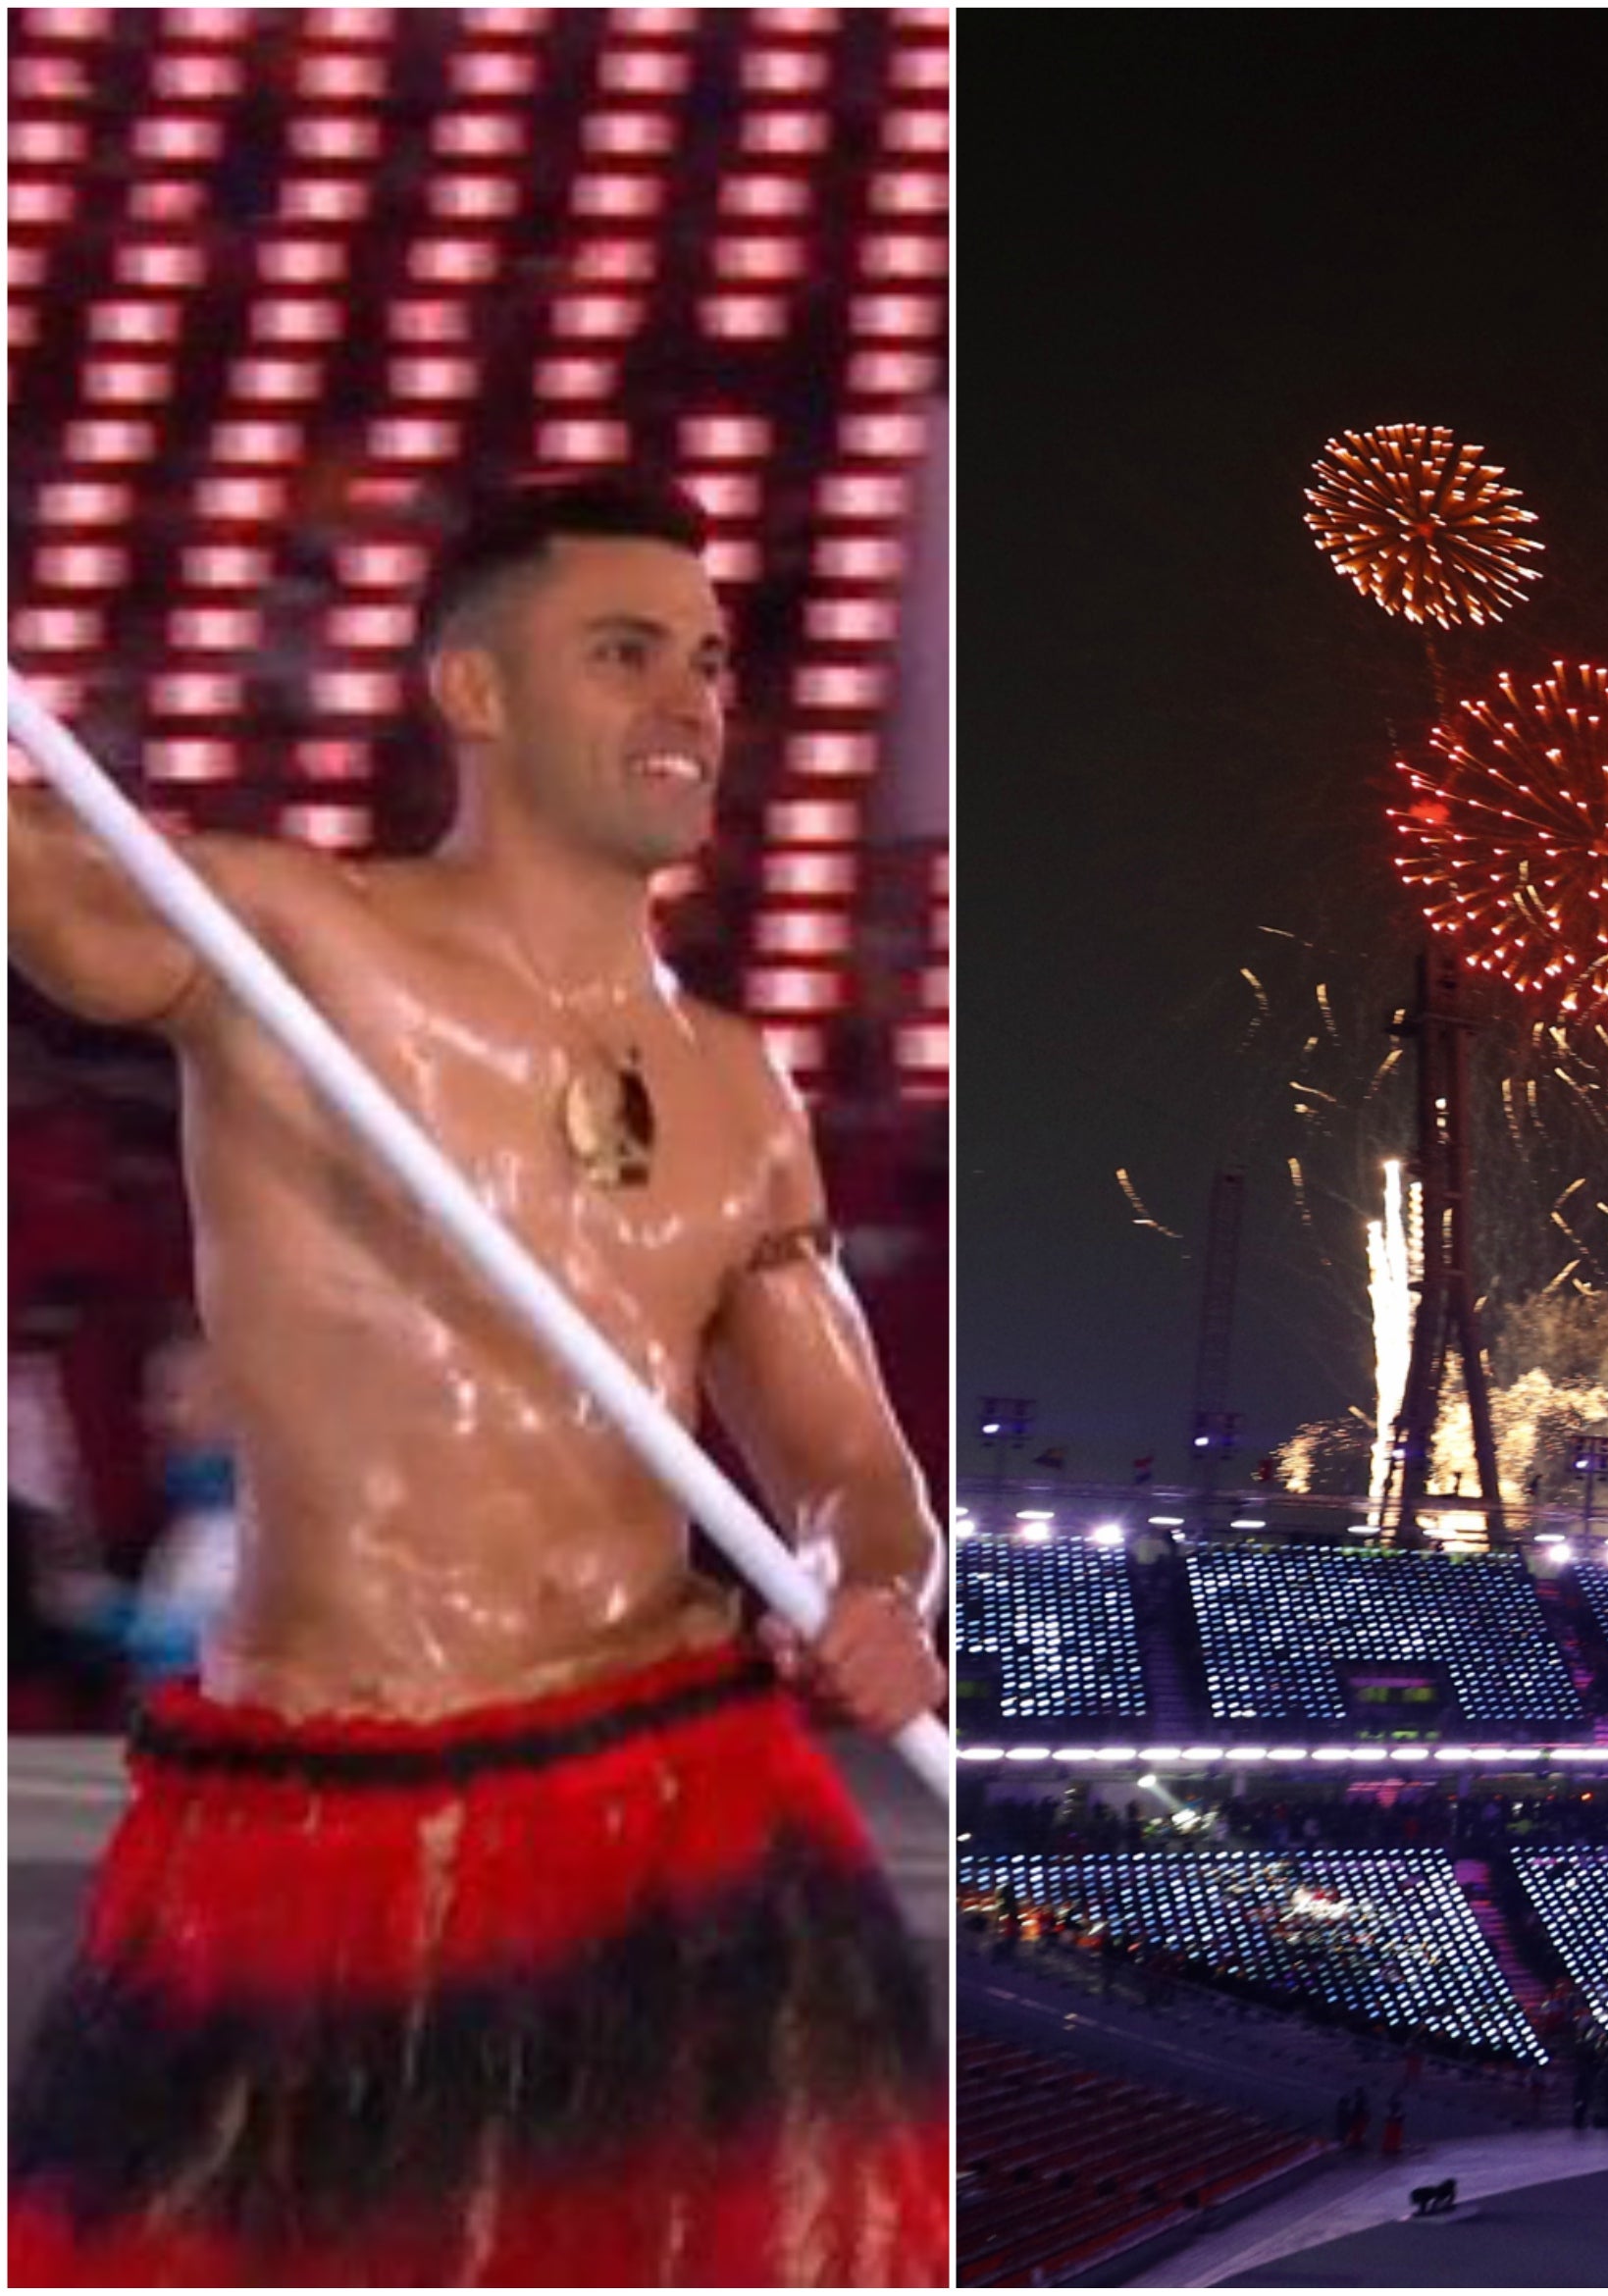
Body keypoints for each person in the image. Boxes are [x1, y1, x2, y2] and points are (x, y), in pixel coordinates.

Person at [4, 477, 947, 2284]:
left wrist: (880, 1589)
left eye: (711, 662)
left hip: (671, 1796)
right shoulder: (288, 942)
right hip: (324, 1816)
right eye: (623, 653)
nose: (690, 700)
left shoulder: (748, 1094)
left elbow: (844, 1455)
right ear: (476, 692)